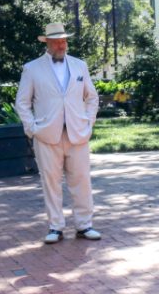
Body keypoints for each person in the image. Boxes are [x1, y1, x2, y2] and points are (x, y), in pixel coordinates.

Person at [15, 22, 101, 244]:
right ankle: (55, 226)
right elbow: (22, 103)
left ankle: (84, 225)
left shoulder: (79, 66)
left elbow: (91, 97)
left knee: (81, 180)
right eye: (57, 41)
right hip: (46, 134)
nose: (62, 45)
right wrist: (32, 128)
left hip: (77, 133)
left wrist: (88, 122)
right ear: (48, 43)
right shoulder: (32, 68)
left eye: (64, 40)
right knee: (50, 182)